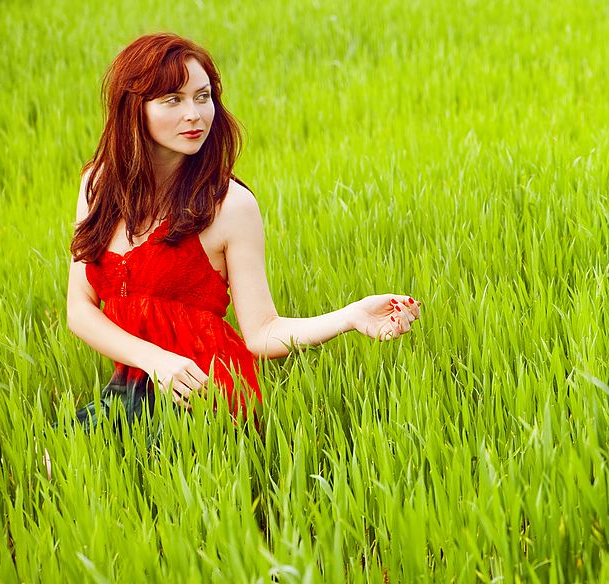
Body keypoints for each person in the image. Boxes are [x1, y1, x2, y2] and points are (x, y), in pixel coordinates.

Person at [66, 32, 421, 433]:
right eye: (173, 100)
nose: (195, 115)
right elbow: (79, 308)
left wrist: (351, 316)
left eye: (203, 97)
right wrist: (154, 359)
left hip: (206, 394)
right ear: (134, 109)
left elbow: (262, 331)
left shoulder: (228, 206)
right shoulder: (98, 185)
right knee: (54, 463)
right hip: (140, 379)